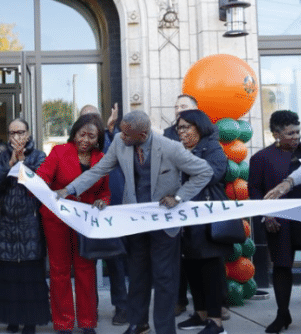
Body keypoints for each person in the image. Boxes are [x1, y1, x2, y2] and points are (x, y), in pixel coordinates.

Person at [59, 110, 213, 334]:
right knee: (137, 274)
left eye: (126, 134)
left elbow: (204, 171)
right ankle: (138, 323)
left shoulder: (170, 148)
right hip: (135, 222)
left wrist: (179, 197)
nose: (120, 136)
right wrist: (70, 189)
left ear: (142, 133)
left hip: (164, 224)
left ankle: (164, 329)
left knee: (164, 278)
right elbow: (99, 170)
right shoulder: (121, 145)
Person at [35, 114, 110, 334]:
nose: (85, 139)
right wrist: (39, 181)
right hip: (57, 220)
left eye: (91, 136)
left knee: (86, 269)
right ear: (74, 133)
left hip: (85, 221)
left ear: (98, 139)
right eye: (81, 134)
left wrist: (102, 201)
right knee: (59, 271)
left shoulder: (101, 158)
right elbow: (44, 175)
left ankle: (87, 323)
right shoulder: (59, 151)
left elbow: (105, 191)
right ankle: (63, 323)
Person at [0, 118, 50, 334]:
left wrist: (24, 164)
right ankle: (11, 319)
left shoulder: (39, 156)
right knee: (8, 275)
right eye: (12, 133)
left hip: (30, 222)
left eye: (20, 132)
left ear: (28, 133)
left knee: (29, 276)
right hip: (4, 224)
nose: (16, 137)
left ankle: (30, 322)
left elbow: (43, 184)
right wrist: (11, 163)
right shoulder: (2, 156)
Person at [173, 110, 229, 334]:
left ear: (200, 126)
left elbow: (213, 174)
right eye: (179, 128)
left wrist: (186, 157)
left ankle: (216, 321)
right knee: (191, 266)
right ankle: (201, 313)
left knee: (211, 270)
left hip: (208, 219)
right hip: (184, 219)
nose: (181, 132)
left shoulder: (212, 147)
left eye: (186, 127)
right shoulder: (177, 149)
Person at [250, 110, 301, 334]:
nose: (296, 136)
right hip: (278, 223)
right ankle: (282, 314)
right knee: (281, 266)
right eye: (290, 133)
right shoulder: (260, 159)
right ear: (276, 135)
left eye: (298, 131)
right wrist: (266, 214)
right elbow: (255, 192)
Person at [79, 104, 129, 326]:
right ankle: (90, 309)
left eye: (94, 117)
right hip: (85, 212)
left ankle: (122, 307)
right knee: (85, 265)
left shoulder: (113, 140)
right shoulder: (75, 145)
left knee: (116, 261)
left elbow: (114, 157)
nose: (90, 121)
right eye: (85, 118)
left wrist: (110, 131)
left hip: (111, 210)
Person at [162, 94, 198, 317]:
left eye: (183, 106)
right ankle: (178, 300)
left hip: (197, 204)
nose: (178, 110)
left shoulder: (206, 134)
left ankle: (211, 304)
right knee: (175, 257)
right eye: (176, 107)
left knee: (202, 257)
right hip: (172, 203)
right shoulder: (167, 135)